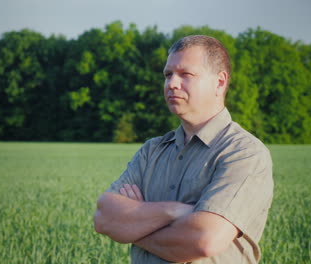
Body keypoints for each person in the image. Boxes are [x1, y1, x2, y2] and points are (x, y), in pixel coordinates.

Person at [93, 35, 273, 263]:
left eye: (185, 74)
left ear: (219, 82)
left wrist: (133, 227)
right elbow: (103, 217)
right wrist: (174, 211)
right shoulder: (152, 150)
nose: (172, 83)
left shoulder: (243, 153)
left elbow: (204, 240)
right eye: (168, 75)